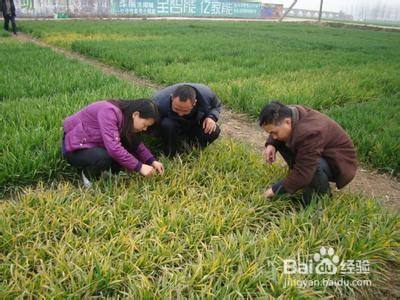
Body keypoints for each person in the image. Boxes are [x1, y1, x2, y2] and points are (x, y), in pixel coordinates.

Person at [259, 101, 357, 205]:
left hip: (339, 163)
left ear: (287, 122)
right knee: (281, 142)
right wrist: (271, 144)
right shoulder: (289, 113)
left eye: (274, 132)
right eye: (270, 133)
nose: (273, 136)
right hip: (319, 152)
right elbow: (277, 130)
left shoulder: (309, 133)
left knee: (311, 168)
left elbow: (304, 170)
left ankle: (319, 199)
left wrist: (273, 191)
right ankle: (300, 181)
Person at [62, 99, 164, 187]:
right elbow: (114, 148)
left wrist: (151, 161)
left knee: (123, 151)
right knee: (103, 157)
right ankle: (87, 175)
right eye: (145, 124)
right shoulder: (109, 111)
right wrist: (140, 167)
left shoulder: (126, 118)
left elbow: (136, 143)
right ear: (135, 114)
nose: (145, 129)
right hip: (74, 148)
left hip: (92, 144)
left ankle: (103, 171)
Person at [152, 83, 221, 156]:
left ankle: (190, 149)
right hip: (172, 125)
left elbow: (216, 106)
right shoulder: (158, 102)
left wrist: (211, 117)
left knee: (213, 130)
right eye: (176, 109)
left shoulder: (207, 95)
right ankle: (170, 152)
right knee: (167, 124)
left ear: (195, 102)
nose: (180, 114)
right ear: (172, 98)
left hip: (193, 124)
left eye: (185, 110)